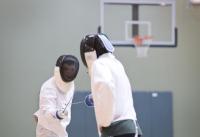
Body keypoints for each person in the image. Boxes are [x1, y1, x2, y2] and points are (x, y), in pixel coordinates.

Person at [80, 34, 142, 137]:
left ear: (89, 54)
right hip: (132, 129)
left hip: (117, 130)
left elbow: (107, 85)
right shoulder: (117, 64)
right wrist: (96, 97)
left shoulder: (99, 64)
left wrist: (105, 122)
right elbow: (116, 91)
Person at [34, 55, 79, 137]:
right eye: (66, 69)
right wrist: (56, 114)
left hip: (61, 131)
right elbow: (47, 111)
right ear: (59, 69)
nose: (69, 72)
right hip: (47, 133)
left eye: (72, 70)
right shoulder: (49, 86)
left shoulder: (71, 85)